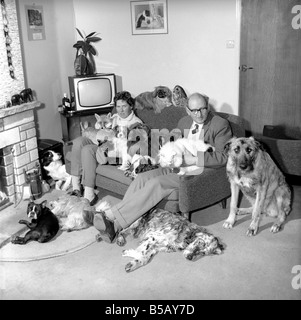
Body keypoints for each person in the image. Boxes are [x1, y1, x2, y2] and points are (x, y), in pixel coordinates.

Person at [93, 92, 233, 243]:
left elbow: (224, 157)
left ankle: (114, 219)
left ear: (208, 106)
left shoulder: (220, 124)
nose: (199, 114)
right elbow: (174, 146)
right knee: (142, 178)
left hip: (196, 171)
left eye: (203, 109)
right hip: (176, 164)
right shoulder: (184, 122)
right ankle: (117, 224)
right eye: (194, 110)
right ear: (187, 110)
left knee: (156, 183)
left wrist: (194, 158)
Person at [67, 91, 142, 204]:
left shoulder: (136, 123)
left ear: (131, 106)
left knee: (87, 150)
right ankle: (76, 188)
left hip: (116, 152)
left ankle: (89, 194)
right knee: (78, 142)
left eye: (124, 106)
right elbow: (99, 127)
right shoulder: (114, 117)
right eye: (118, 106)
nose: (121, 110)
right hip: (103, 143)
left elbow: (132, 146)